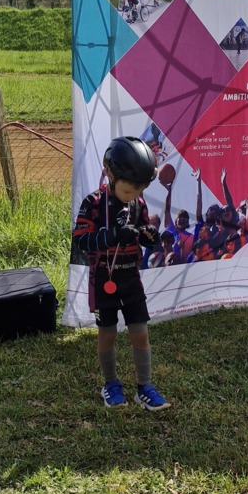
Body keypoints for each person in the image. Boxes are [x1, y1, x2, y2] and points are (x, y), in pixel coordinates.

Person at [72, 136, 170, 411]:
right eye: (128, 189)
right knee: (108, 334)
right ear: (110, 175)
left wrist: (149, 237)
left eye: (140, 190)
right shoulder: (93, 202)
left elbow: (144, 235)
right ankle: (111, 384)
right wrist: (114, 236)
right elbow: (81, 241)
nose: (133, 195)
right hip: (104, 279)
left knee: (140, 333)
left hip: (131, 279)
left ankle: (144, 387)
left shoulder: (138, 203)